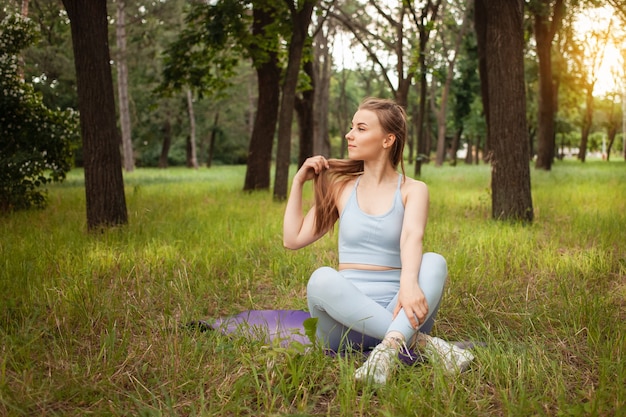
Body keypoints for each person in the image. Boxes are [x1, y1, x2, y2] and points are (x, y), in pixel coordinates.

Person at [282, 97, 474, 385]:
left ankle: (386, 352)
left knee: (435, 261)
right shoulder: (341, 188)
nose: (349, 134)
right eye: (352, 127)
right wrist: (298, 182)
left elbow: (412, 236)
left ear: (388, 140)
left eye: (360, 128)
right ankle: (422, 344)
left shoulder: (414, 189)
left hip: (403, 308)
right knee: (321, 278)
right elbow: (292, 239)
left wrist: (409, 286)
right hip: (344, 325)